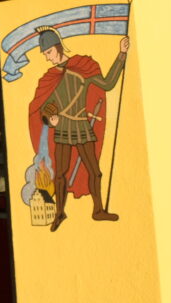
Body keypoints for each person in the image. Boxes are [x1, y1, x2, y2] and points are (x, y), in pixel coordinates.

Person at [27, 26, 128, 231]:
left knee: (95, 171)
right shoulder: (52, 77)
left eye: (49, 52)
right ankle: (59, 213)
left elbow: (107, 84)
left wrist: (121, 55)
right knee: (61, 174)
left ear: (57, 47)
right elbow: (47, 105)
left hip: (81, 125)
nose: (48, 58)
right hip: (63, 127)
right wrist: (49, 119)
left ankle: (98, 210)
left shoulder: (82, 68)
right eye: (45, 54)